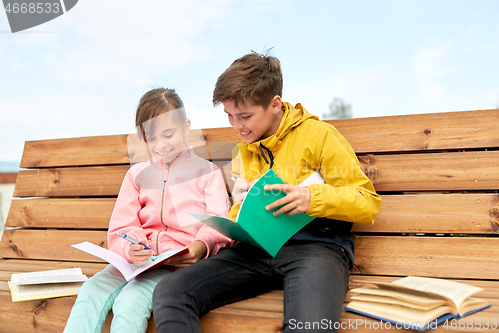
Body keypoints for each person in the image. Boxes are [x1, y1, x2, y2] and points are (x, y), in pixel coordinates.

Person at [152, 51, 382, 333]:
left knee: (309, 326)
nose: (237, 126)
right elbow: (243, 215)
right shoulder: (243, 152)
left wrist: (312, 198)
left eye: (245, 116)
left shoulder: (320, 136)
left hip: (317, 249)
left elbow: (367, 202)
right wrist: (237, 206)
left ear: (275, 104)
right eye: (229, 116)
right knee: (171, 292)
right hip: (254, 251)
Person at [64, 88, 231, 333]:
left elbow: (217, 225)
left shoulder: (208, 173)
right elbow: (123, 225)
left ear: (186, 128)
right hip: (138, 260)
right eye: (151, 138)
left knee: (130, 301)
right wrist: (131, 247)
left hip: (177, 263)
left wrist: (201, 246)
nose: (160, 145)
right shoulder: (136, 175)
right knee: (91, 290)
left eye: (168, 134)